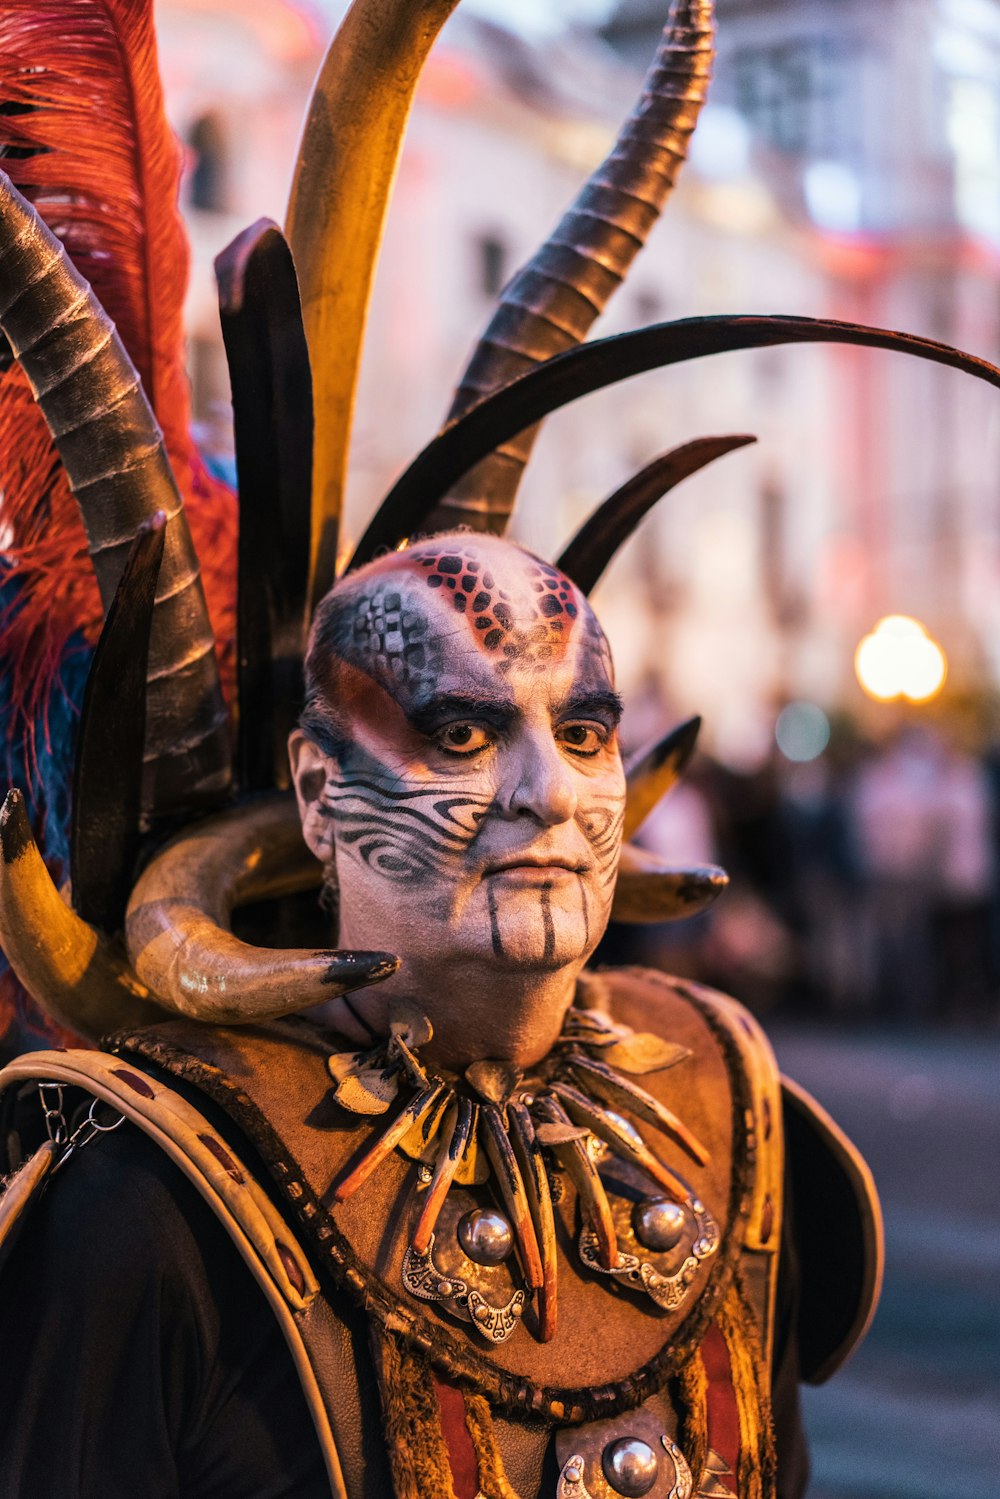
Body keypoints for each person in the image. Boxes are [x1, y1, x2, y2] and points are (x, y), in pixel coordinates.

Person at [13, 0, 996, 1492]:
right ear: (320, 793)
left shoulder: (727, 1115)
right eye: (462, 730)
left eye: (586, 727)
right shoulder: (150, 1203)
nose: (547, 793)